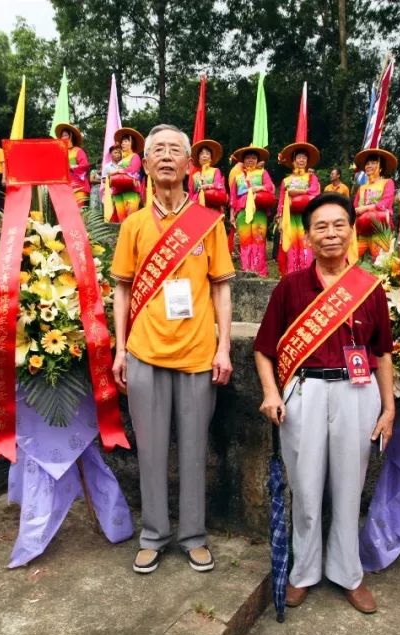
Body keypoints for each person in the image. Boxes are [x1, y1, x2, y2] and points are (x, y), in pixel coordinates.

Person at [253, 192, 394, 613]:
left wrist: (388, 408)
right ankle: (304, 572)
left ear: (351, 231)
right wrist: (270, 392)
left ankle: (348, 574)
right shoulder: (291, 287)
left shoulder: (369, 288)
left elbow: (383, 353)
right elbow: (264, 349)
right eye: (321, 227)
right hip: (306, 393)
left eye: (338, 225)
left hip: (357, 393)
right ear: (308, 236)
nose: (330, 234)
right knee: (306, 487)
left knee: (349, 489)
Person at [110, 124, 235, 575]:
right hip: (144, 354)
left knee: (194, 450)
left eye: (174, 151)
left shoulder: (210, 221)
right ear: (145, 165)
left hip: (199, 356)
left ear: (190, 165)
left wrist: (224, 349)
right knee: (151, 451)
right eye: (157, 150)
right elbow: (122, 291)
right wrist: (121, 349)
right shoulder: (134, 226)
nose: (165, 157)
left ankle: (194, 536)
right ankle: (154, 535)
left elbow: (221, 288)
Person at [276, 142, 322, 276]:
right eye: (299, 157)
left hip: (306, 216)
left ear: (307, 161)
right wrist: (279, 218)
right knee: (291, 244)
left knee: (306, 243)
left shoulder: (311, 177)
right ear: (294, 160)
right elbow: (281, 201)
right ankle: (292, 274)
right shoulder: (286, 180)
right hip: (289, 217)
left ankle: (307, 273)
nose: (301, 160)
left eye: (304, 158)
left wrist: (295, 192)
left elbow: (314, 192)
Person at [230, 146, 275, 277]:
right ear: (243, 160)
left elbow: (270, 187)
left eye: (253, 158)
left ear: (257, 160)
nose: (250, 160)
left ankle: (259, 270)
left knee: (258, 238)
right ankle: (246, 269)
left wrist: (258, 188)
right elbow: (233, 197)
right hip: (242, 210)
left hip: (258, 210)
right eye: (248, 158)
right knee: (245, 240)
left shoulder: (262, 173)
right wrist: (232, 214)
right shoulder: (238, 176)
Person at [350, 148, 397, 264]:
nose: (369, 165)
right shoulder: (362, 187)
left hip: (379, 229)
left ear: (381, 168)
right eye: (367, 163)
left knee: (380, 263)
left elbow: (385, 203)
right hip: (362, 230)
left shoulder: (387, 182)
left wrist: (365, 208)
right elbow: (355, 207)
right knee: (352, 260)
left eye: (373, 163)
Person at [109, 128, 145, 222]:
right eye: (122, 142)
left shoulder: (135, 156)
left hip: (131, 191)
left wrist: (118, 171)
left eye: (125, 141)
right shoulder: (121, 160)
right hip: (118, 192)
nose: (123, 144)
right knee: (121, 220)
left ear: (131, 143)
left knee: (130, 220)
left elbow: (133, 169)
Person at [55, 123, 91, 207]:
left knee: (79, 212)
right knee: (66, 212)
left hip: (78, 186)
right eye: (62, 136)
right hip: (64, 187)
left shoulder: (78, 150)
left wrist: (73, 167)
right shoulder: (59, 153)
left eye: (65, 135)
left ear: (71, 136)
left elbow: (85, 166)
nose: (63, 138)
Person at [188, 139, 227, 211]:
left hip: (212, 204)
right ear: (198, 158)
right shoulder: (195, 176)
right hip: (197, 204)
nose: (204, 156)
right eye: (201, 154)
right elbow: (191, 193)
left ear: (211, 158)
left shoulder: (215, 170)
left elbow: (218, 185)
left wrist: (207, 186)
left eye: (207, 153)